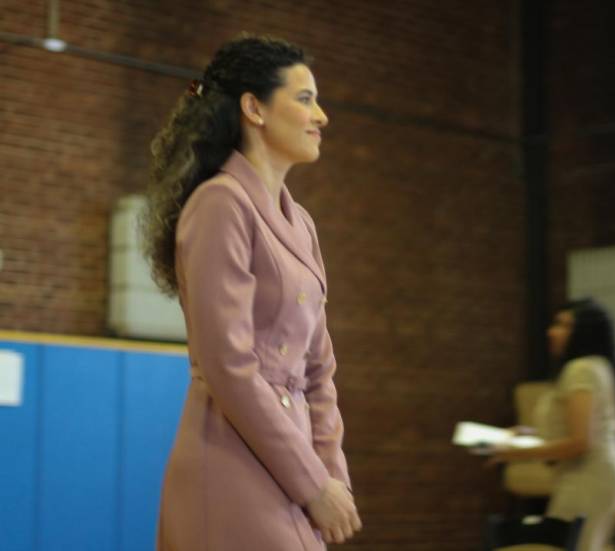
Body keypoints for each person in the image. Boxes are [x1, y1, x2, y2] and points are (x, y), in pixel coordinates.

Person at [142, 34, 361, 551]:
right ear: (254, 108)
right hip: (230, 462)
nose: (322, 115)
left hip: (295, 468)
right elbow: (228, 366)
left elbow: (318, 371)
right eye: (305, 98)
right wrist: (311, 483)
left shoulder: (301, 223)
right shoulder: (220, 203)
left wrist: (332, 475)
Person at [489, 298, 615, 551]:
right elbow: (579, 428)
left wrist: (517, 453)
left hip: (588, 477)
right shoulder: (598, 366)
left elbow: (580, 442)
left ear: (583, 333)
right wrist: (527, 434)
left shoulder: (581, 370)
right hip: (605, 474)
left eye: (563, 325)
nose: (551, 331)